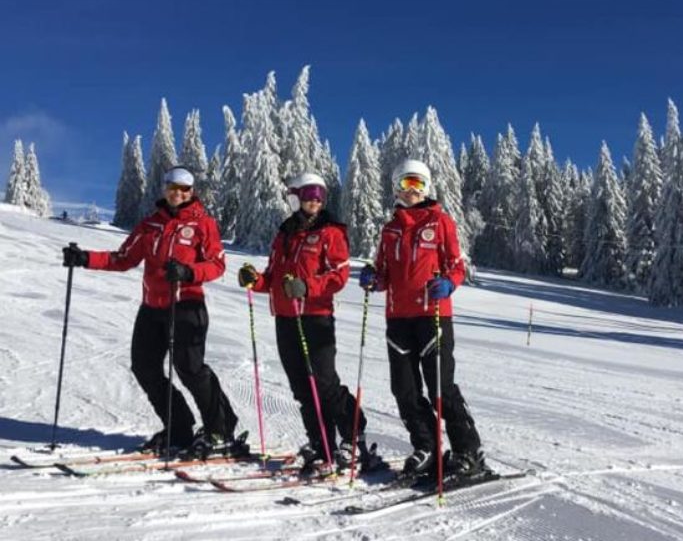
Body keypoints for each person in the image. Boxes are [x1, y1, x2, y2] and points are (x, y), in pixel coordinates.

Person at [61, 166, 241, 457]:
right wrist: (84, 258)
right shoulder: (150, 225)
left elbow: (217, 265)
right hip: (152, 308)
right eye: (173, 188)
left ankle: (221, 429)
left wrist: (187, 271)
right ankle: (179, 428)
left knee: (190, 370)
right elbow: (123, 258)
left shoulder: (202, 224)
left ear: (192, 192)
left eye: (184, 189)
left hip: (187, 306)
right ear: (165, 189)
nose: (178, 193)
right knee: (144, 367)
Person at [238, 172, 383, 475]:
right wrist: (257, 281)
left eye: (319, 194)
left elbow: (339, 276)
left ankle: (354, 437)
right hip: (287, 318)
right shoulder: (284, 234)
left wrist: (307, 287)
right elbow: (277, 279)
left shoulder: (330, 232)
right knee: (302, 388)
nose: (313, 200)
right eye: (307, 194)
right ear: (296, 197)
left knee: (324, 382)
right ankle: (321, 444)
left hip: (315, 316)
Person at [359, 159, 487, 478]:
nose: (411, 190)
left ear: (427, 186)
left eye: (417, 183)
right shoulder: (390, 229)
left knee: (440, 388)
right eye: (405, 184)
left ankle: (467, 452)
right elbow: (384, 273)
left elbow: (457, 265)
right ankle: (426, 447)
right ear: (396, 189)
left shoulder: (440, 222)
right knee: (404, 389)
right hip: (398, 319)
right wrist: (373, 279)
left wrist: (450, 283)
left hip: (433, 316)